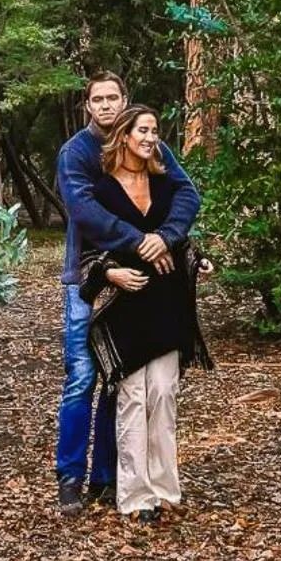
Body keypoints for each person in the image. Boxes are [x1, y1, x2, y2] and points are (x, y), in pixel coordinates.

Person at [52, 72, 200, 515]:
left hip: (143, 282)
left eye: (112, 97)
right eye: (97, 99)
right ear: (87, 105)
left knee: (122, 379)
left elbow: (184, 193)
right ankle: (70, 477)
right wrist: (140, 242)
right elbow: (85, 211)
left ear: (124, 100)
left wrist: (168, 236)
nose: (105, 105)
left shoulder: (148, 141)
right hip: (90, 278)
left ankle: (107, 476)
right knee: (83, 377)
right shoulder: (76, 153)